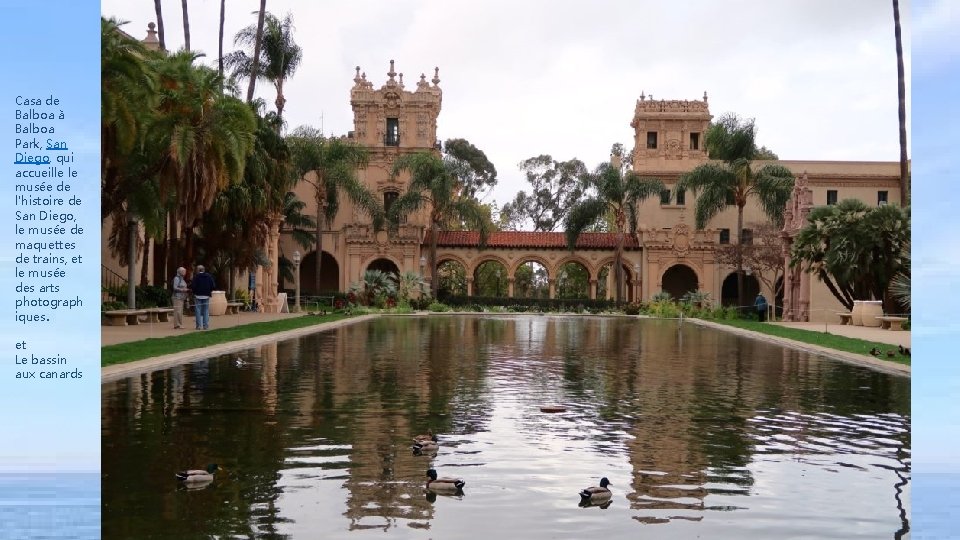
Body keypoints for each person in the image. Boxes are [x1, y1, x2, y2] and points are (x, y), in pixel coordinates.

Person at [191, 265, 216, 330]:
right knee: (206, 310)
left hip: (197, 295)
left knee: (198, 311)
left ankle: (198, 326)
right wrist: (208, 291)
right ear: (203, 270)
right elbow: (213, 286)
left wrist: (194, 292)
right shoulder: (209, 276)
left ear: (198, 270)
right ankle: (206, 326)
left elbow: (193, 286)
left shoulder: (196, 277)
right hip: (206, 295)